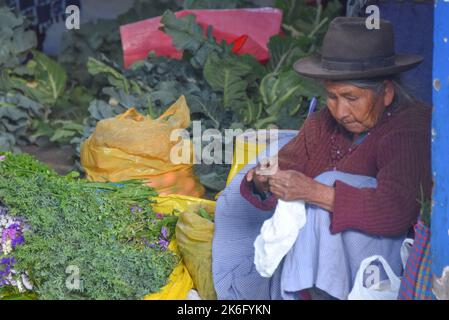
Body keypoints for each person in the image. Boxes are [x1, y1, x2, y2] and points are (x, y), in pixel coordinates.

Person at [212, 17, 432, 300]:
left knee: (326, 184)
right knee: (242, 188)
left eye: (351, 98)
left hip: (382, 265)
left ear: (386, 93)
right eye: (332, 96)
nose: (340, 111)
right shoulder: (322, 124)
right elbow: (284, 165)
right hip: (320, 257)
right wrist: (264, 181)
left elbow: (396, 210)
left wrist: (315, 192)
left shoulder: (411, 126)